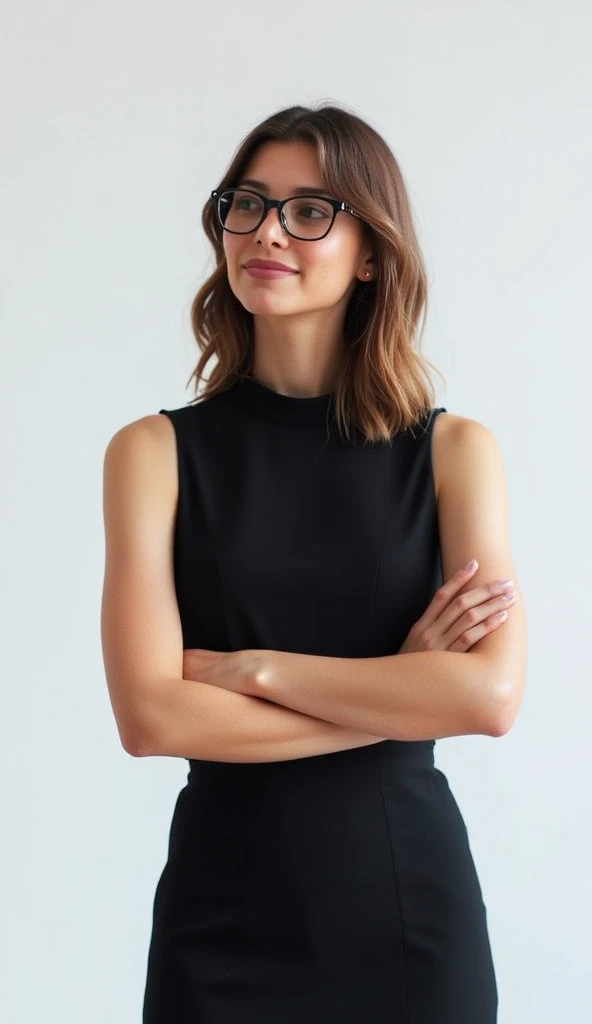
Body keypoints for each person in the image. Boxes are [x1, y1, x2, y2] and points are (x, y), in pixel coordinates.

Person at [100, 102, 527, 1023]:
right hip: (221, 924)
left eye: (310, 210)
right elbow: (150, 715)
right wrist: (402, 691)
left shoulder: (454, 454)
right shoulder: (152, 454)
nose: (267, 232)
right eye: (247, 204)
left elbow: (487, 699)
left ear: (372, 250)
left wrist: (256, 672)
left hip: (411, 921)